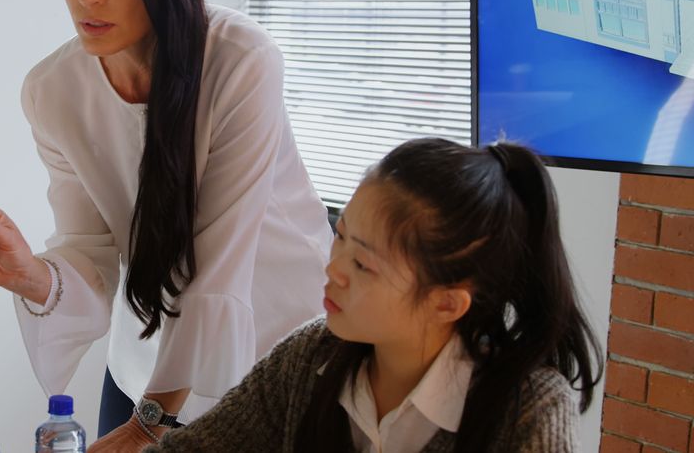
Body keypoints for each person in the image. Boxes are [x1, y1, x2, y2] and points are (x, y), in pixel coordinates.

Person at [0, 0, 332, 449]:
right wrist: (27, 271)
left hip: (280, 349)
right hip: (149, 355)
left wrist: (148, 424)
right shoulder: (52, 91)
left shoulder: (239, 61)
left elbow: (218, 267)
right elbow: (91, 249)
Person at [142, 138, 603, 452]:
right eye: (339, 237)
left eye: (362, 263)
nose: (333, 269)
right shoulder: (310, 355)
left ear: (447, 302)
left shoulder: (529, 409)